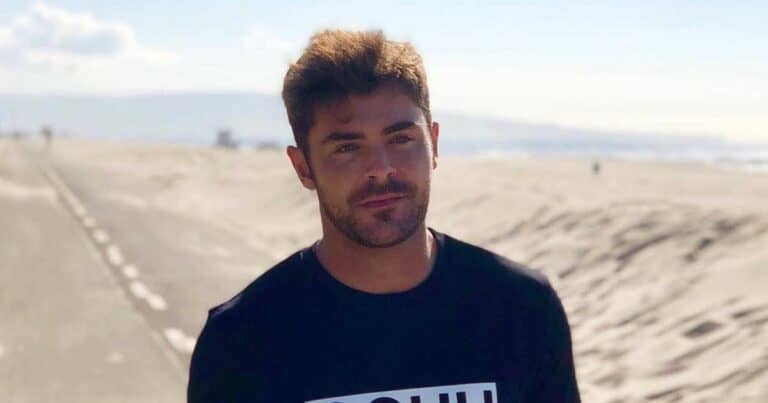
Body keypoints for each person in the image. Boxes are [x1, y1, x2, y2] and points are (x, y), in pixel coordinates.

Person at [188, 29, 580, 403]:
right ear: (303, 167)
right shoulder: (242, 340)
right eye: (347, 148)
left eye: (401, 139)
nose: (381, 168)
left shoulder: (522, 309)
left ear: (434, 144)